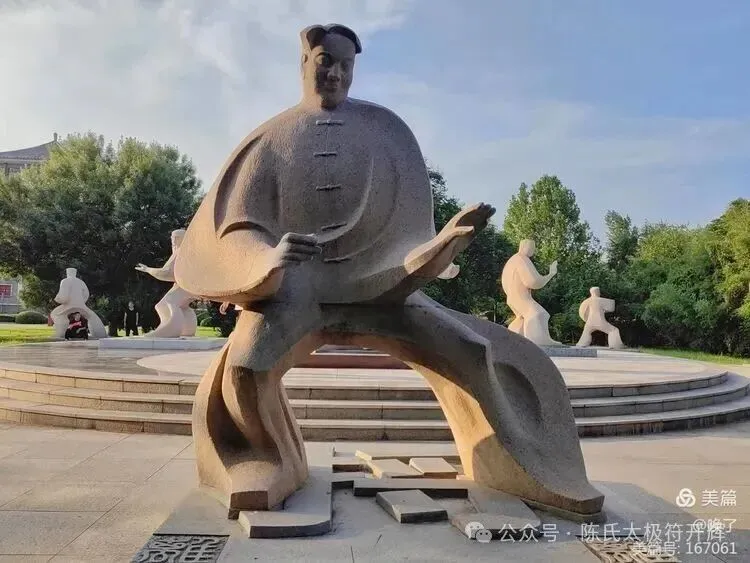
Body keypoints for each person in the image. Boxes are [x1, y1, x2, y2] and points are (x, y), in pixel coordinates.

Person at [173, 23, 602, 519]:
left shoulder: (386, 132)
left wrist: (447, 242)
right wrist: (268, 257)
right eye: (325, 61)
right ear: (304, 62)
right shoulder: (271, 140)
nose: (335, 73)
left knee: (472, 349)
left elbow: (407, 248)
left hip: (377, 292)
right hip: (296, 293)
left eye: (346, 65)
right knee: (246, 366)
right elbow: (237, 227)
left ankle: (527, 465)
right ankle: (265, 461)